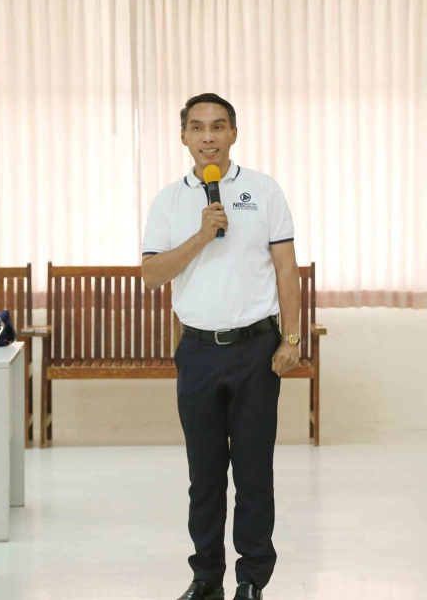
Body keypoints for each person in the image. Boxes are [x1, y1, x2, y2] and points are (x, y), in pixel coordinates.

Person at [141, 93, 301, 600]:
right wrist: (201, 235)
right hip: (198, 352)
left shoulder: (263, 190)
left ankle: (252, 579)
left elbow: (286, 269)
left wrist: (291, 337)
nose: (207, 136)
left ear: (233, 133)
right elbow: (152, 274)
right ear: (183, 136)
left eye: (217, 126)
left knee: (254, 473)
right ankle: (206, 576)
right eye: (197, 127)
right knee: (205, 475)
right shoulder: (168, 201)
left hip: (257, 348)